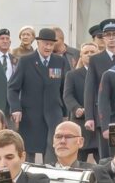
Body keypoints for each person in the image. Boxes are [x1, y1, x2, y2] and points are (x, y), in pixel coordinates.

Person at [8, 28, 69, 162]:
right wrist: (16, 108)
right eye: (45, 43)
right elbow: (13, 88)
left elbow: (64, 89)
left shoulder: (60, 62)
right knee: (29, 151)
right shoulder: (26, 61)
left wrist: (65, 113)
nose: (48, 47)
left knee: (53, 149)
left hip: (54, 113)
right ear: (38, 43)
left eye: (51, 44)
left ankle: (51, 176)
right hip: (31, 114)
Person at [83, 20, 115, 158]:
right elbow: (89, 88)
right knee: (106, 156)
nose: (111, 38)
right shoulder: (96, 59)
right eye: (107, 35)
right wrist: (89, 117)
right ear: (103, 38)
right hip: (103, 114)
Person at [63, 42, 97, 158]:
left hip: (98, 125)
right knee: (78, 163)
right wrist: (76, 108)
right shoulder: (72, 75)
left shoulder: (105, 74)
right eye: (86, 52)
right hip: (81, 124)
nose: (89, 55)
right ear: (81, 57)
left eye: (92, 52)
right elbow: (67, 95)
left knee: (104, 164)